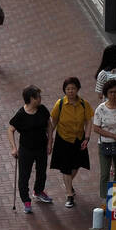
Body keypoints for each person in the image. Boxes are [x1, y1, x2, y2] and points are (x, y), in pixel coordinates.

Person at [49, 77, 93, 206]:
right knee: (66, 168)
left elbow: (88, 121)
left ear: (78, 89)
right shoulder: (60, 104)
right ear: (64, 90)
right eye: (68, 89)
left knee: (76, 165)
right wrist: (50, 138)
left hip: (79, 139)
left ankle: (68, 184)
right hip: (63, 139)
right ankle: (69, 195)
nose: (70, 91)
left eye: (73, 88)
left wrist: (87, 138)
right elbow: (54, 121)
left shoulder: (84, 104)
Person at [8, 85, 52, 213]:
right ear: (32, 99)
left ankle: (38, 191)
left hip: (41, 148)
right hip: (26, 150)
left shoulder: (42, 109)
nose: (40, 99)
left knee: (41, 172)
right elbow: (10, 130)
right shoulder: (21, 114)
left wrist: (50, 143)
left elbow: (49, 126)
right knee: (24, 175)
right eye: (38, 97)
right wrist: (13, 148)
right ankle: (26, 200)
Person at [93, 77, 116, 203]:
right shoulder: (100, 109)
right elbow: (96, 128)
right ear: (106, 93)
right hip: (105, 145)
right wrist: (113, 136)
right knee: (104, 174)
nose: (113, 95)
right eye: (110, 92)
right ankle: (104, 200)